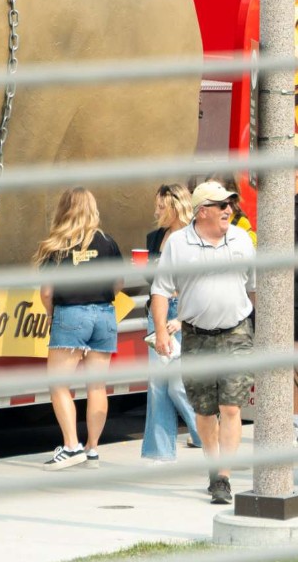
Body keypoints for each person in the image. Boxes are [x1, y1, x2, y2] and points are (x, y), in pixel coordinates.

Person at [151, 179, 255, 506]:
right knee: (205, 410)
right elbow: (160, 290)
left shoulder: (241, 240)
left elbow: (253, 288)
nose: (229, 210)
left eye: (230, 204)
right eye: (221, 205)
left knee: (231, 406)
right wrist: (163, 332)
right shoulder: (179, 244)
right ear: (202, 211)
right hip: (196, 335)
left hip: (236, 332)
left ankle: (223, 476)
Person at [35, 187, 123, 469]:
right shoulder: (108, 242)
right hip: (105, 314)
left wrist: (52, 316)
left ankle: (71, 446)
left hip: (71, 315)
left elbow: (47, 292)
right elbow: (119, 282)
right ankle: (92, 449)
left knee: (59, 384)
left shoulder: (56, 246)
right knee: (97, 385)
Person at [140, 183, 201, 461]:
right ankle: (159, 452)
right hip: (158, 311)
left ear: (176, 206)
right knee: (158, 384)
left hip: (185, 311)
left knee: (178, 383)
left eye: (161, 206)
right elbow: (154, 284)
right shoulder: (155, 238)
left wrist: (181, 317)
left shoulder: (194, 238)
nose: (156, 211)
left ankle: (206, 435)